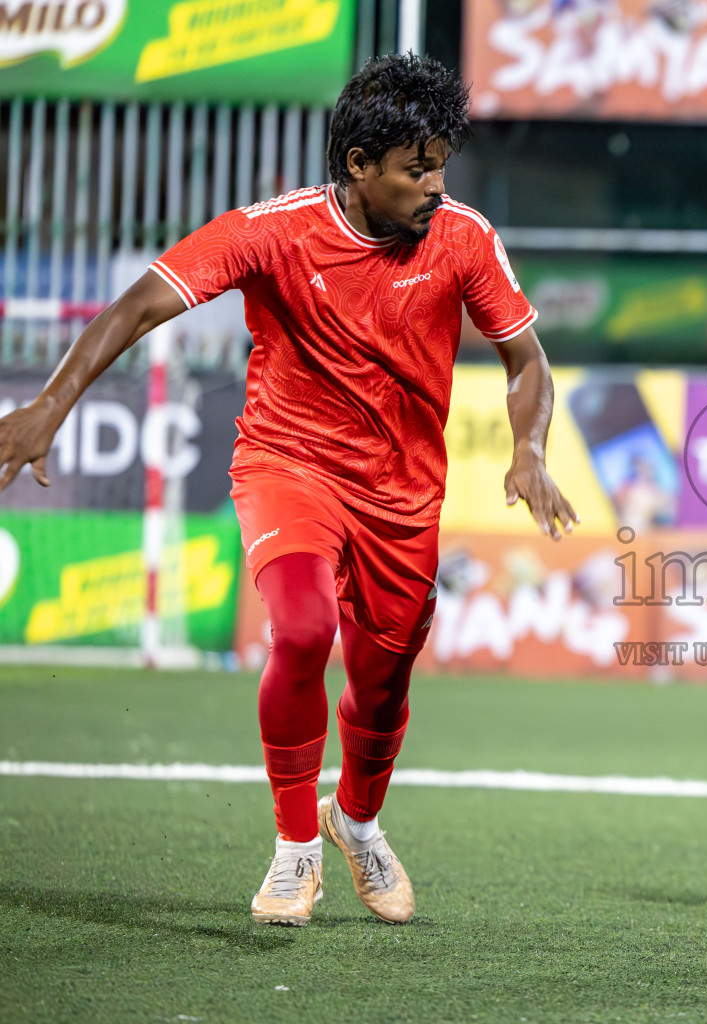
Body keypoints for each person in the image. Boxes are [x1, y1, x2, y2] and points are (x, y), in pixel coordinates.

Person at [0, 54, 578, 926]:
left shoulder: (465, 238)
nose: (435, 185)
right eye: (416, 169)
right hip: (287, 464)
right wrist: (49, 402)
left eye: (441, 165)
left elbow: (525, 357)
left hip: (402, 496)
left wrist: (528, 448)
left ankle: (357, 822)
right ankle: (293, 848)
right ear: (358, 166)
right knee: (302, 629)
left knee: (383, 684)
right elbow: (139, 307)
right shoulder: (268, 232)